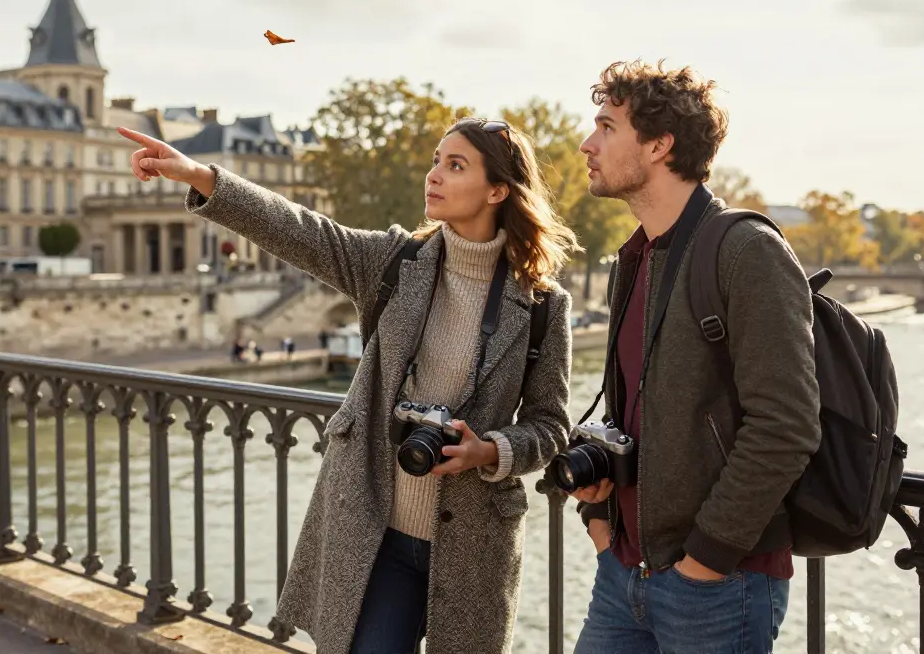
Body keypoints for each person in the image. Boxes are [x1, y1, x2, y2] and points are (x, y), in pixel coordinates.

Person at [117, 118, 578, 654]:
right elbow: (299, 229)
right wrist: (200, 176)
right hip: (376, 533)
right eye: (435, 160)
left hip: (474, 547)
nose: (434, 175)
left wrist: (490, 450)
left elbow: (551, 426)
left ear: (498, 190)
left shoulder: (543, 306)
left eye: (455, 166)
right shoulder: (393, 262)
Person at [569, 60, 821, 653]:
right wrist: (602, 525)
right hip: (625, 572)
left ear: (659, 145)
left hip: (716, 583)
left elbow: (786, 425)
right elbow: (631, 412)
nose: (588, 143)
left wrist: (703, 561)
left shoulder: (747, 251)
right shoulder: (633, 260)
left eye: (606, 127)